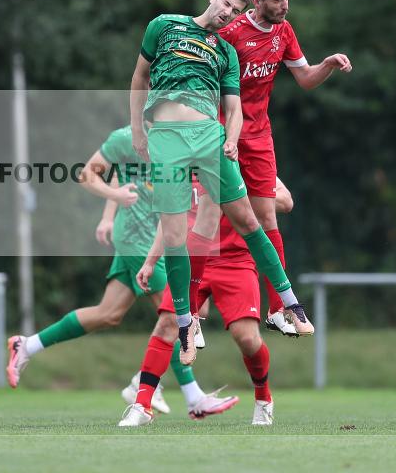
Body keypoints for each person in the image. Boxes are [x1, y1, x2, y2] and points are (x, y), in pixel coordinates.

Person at [129, 0, 313, 368]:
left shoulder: (226, 51)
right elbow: (140, 77)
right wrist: (136, 132)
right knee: (178, 235)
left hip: (210, 141)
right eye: (225, 5)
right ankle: (186, 323)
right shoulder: (164, 25)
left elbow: (233, 108)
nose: (226, 13)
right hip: (166, 141)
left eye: (233, 11)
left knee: (250, 218)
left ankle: (289, 303)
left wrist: (231, 140)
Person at [6, 126, 230, 417]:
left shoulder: (179, 134)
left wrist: (107, 216)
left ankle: (26, 345)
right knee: (176, 314)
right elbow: (89, 174)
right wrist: (113, 200)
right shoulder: (126, 137)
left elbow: (131, 174)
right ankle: (190, 397)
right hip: (138, 238)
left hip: (155, 236)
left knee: (108, 313)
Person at [218, 0, 352, 334]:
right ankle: (190, 316)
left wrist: (327, 64)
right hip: (223, 135)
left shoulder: (284, 32)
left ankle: (278, 309)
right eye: (278, 1)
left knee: (269, 218)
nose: (285, 6)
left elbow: (306, 79)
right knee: (208, 216)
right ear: (258, 2)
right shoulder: (229, 35)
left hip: (259, 137)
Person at [119, 178, 286, 426]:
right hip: (190, 258)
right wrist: (151, 261)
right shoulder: (182, 164)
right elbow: (169, 218)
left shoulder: (240, 161)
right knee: (167, 324)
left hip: (236, 261)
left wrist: (241, 193)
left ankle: (263, 398)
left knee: (247, 338)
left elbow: (286, 200)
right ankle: (142, 405)